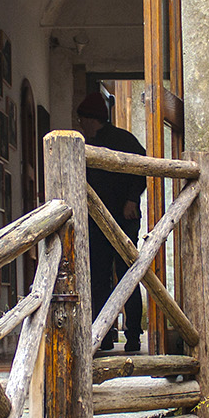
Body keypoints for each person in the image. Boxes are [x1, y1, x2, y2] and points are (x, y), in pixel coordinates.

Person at [77, 91, 145, 352]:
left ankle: (133, 334)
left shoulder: (122, 140)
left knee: (128, 274)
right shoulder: (86, 143)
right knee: (99, 277)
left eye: (81, 118)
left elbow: (140, 169)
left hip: (123, 219)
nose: (80, 123)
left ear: (90, 119)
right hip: (96, 223)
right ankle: (103, 334)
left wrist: (131, 200)